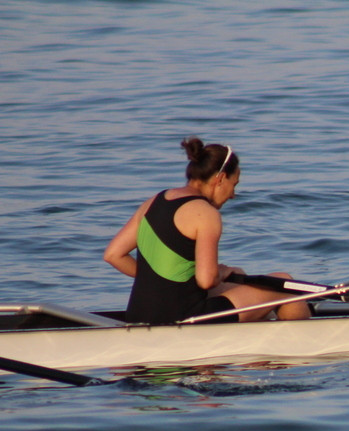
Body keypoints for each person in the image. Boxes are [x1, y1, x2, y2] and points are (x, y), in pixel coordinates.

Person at [104, 137, 311, 324]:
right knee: (285, 285)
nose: (233, 195)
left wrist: (160, 281)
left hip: (138, 314)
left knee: (239, 283)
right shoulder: (206, 213)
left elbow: (113, 255)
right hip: (182, 317)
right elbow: (206, 280)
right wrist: (219, 272)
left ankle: (254, 344)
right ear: (220, 178)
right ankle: (302, 345)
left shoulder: (153, 202)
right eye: (234, 184)